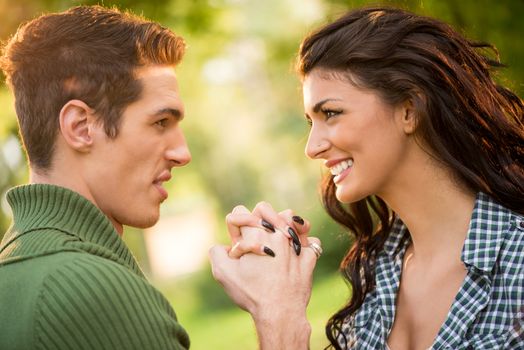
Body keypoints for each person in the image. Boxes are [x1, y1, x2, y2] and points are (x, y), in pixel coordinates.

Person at [210, 6, 524, 350]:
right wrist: (276, 306)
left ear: (409, 109)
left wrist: (280, 318)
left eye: (331, 113)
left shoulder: (517, 263)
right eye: (310, 122)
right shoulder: (376, 276)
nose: (312, 148)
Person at [0, 6, 196, 349]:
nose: (182, 153)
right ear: (81, 127)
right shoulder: (91, 290)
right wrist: (276, 313)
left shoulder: (15, 266)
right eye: (160, 123)